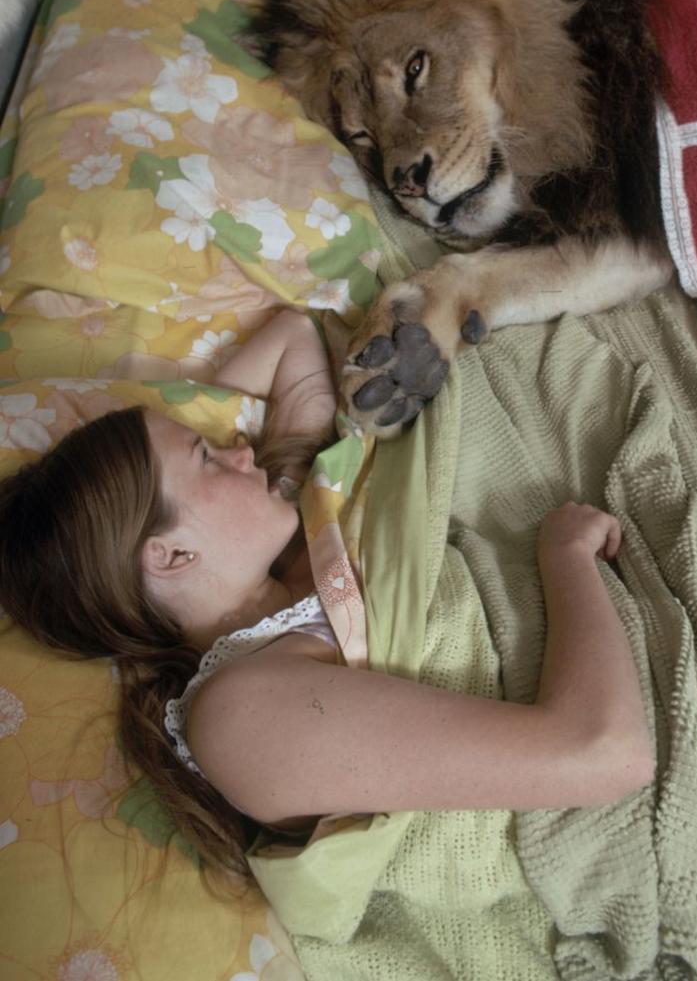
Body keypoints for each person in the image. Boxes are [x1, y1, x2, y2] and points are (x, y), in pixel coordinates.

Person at [0, 307, 654, 885]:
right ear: (170, 554)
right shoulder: (239, 716)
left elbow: (291, 334)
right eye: (204, 455)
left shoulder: (292, 544)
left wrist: (194, 409)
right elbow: (601, 752)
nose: (238, 451)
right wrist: (565, 557)